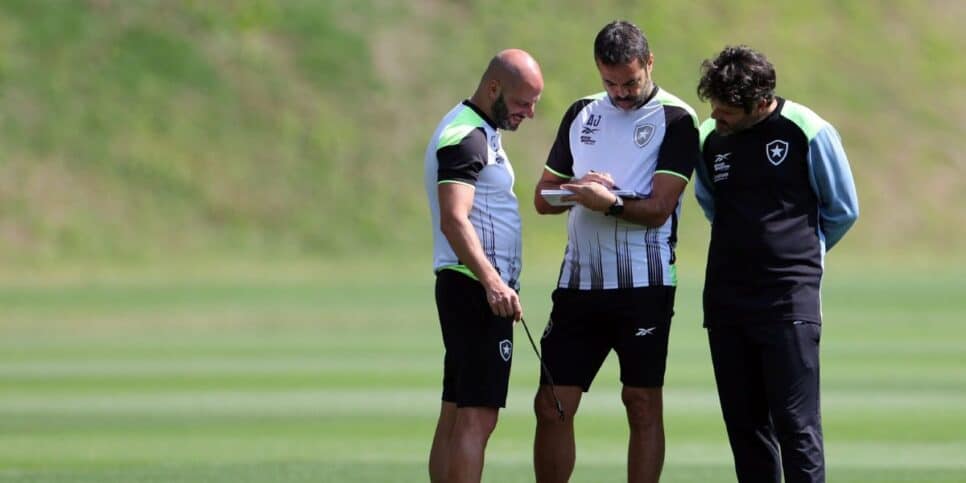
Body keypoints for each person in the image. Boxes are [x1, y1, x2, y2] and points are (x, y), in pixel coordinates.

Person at [532, 21, 700, 483]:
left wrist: (611, 203)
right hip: (579, 282)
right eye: (611, 83)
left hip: (644, 286)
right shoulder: (583, 112)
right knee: (552, 404)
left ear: (649, 63)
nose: (621, 93)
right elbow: (543, 197)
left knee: (641, 402)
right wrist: (578, 188)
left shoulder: (678, 120)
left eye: (630, 82)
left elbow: (660, 208)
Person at [693, 45, 859, 483]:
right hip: (727, 302)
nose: (716, 115)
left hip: (788, 301)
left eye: (726, 109)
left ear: (758, 102)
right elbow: (711, 201)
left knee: (796, 427)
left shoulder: (808, 130)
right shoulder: (711, 136)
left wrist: (798, 258)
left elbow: (842, 209)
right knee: (746, 431)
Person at [423, 48, 543, 483]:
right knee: (478, 418)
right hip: (475, 290)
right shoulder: (467, 136)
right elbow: (454, 218)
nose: (529, 113)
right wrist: (493, 283)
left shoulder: (476, 129)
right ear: (493, 87)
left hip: (468, 287)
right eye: (522, 102)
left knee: (455, 411)